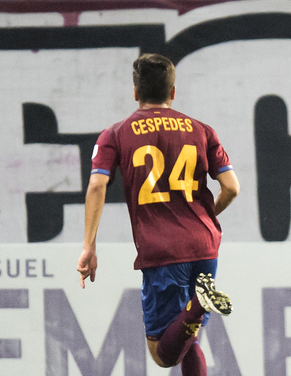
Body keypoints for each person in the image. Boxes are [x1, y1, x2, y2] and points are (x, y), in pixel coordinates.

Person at [78, 54, 240, 376]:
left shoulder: (116, 133)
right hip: (205, 246)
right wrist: (205, 217)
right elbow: (232, 188)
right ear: (173, 92)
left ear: (135, 92)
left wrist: (89, 246)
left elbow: (97, 186)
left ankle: (198, 305)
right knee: (187, 338)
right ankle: (199, 304)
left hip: (163, 251)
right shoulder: (202, 130)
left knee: (163, 354)